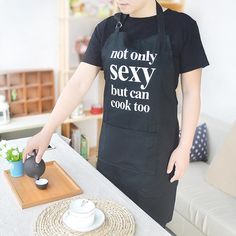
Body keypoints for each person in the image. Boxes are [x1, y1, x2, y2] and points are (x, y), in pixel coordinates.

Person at [23, 0, 209, 229]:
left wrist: (184, 146)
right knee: (111, 222)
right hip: (113, 152)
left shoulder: (182, 27)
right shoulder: (105, 29)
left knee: (150, 226)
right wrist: (47, 131)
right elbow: (78, 84)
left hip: (156, 157)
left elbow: (192, 93)